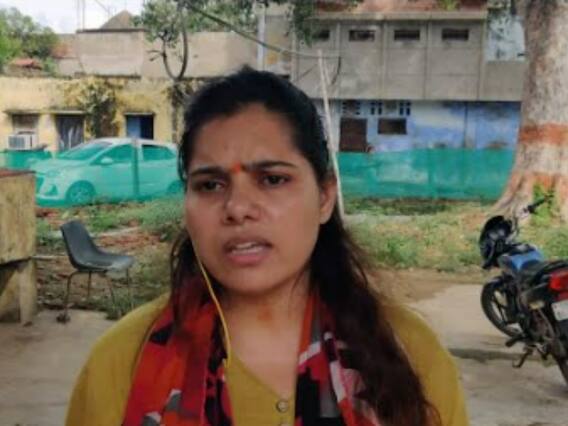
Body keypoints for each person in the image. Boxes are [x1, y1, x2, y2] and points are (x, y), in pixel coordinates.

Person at [66, 67, 468, 426]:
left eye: (273, 179)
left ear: (325, 197)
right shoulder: (122, 362)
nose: (237, 208)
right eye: (210, 185)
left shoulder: (409, 355)